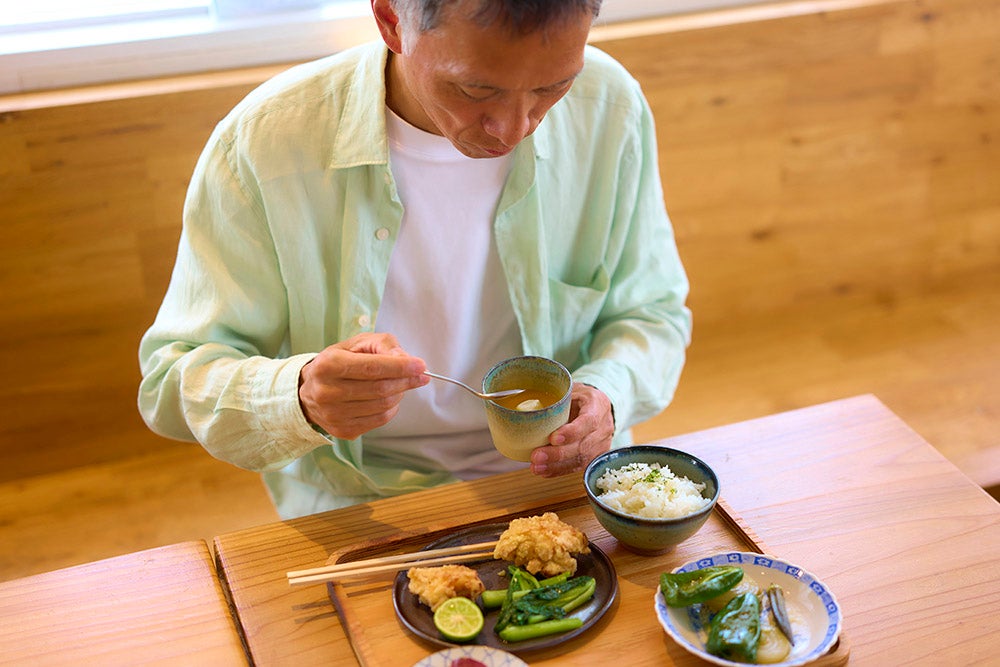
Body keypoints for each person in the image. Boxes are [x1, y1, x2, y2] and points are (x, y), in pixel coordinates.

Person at [138, 0, 692, 519]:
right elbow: (172, 379)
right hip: (358, 501)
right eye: (476, 90)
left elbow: (653, 312)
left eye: (553, 87)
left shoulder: (608, 106)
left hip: (562, 481)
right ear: (389, 19)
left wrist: (608, 394)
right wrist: (301, 393)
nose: (515, 127)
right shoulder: (266, 142)